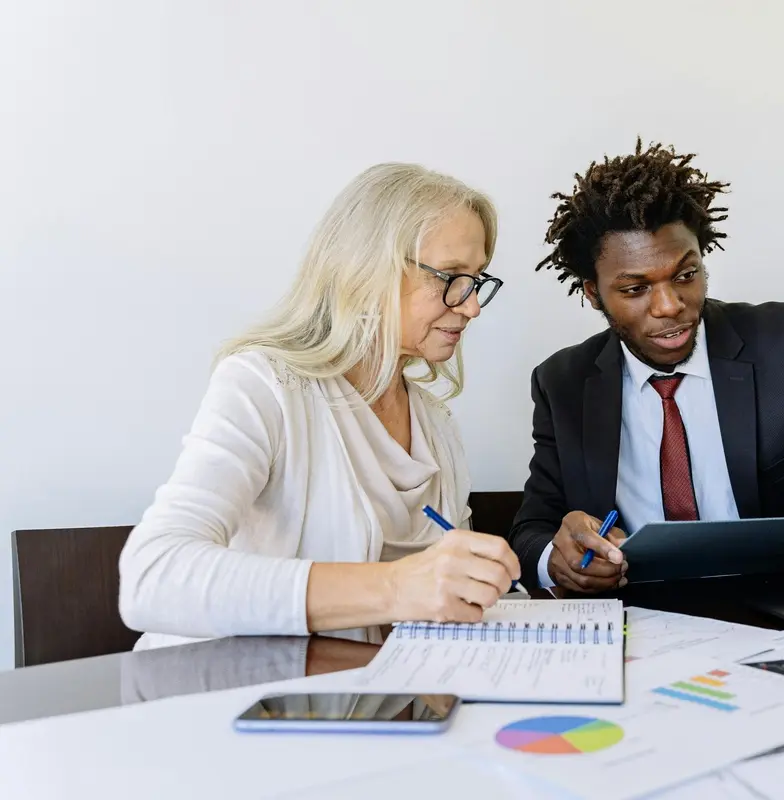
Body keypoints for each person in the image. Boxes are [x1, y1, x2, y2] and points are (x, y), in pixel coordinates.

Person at [119, 163, 520, 649]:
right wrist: (396, 588)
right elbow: (153, 576)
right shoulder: (264, 386)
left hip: (362, 688)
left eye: (477, 280)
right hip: (223, 685)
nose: (472, 306)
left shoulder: (437, 425)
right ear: (368, 269)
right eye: (452, 277)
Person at [509, 139, 784, 593]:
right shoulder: (563, 383)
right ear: (593, 293)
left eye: (686, 275)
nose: (670, 306)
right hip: (642, 616)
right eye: (635, 289)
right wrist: (559, 558)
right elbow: (532, 532)